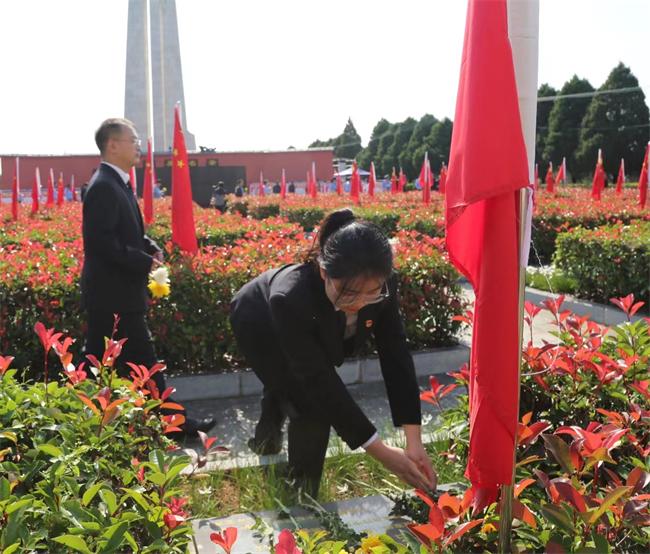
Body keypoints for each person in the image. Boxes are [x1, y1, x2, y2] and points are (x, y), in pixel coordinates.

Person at [229, 209, 437, 498]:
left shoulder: (381, 283)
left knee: (293, 383)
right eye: (349, 293)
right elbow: (319, 381)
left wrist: (414, 441)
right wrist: (380, 451)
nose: (360, 303)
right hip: (258, 322)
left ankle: (267, 434)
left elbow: (395, 353)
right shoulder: (291, 298)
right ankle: (303, 493)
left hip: (302, 333)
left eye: (372, 293)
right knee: (308, 402)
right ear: (324, 271)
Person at [81, 118, 214, 437]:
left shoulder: (117, 182)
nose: (138, 146)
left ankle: (84, 420)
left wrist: (150, 247)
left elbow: (127, 233)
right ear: (113, 145)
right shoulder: (103, 186)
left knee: (100, 364)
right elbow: (103, 243)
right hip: (114, 298)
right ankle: (174, 423)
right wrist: (146, 263)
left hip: (117, 296)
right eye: (134, 140)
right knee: (139, 360)